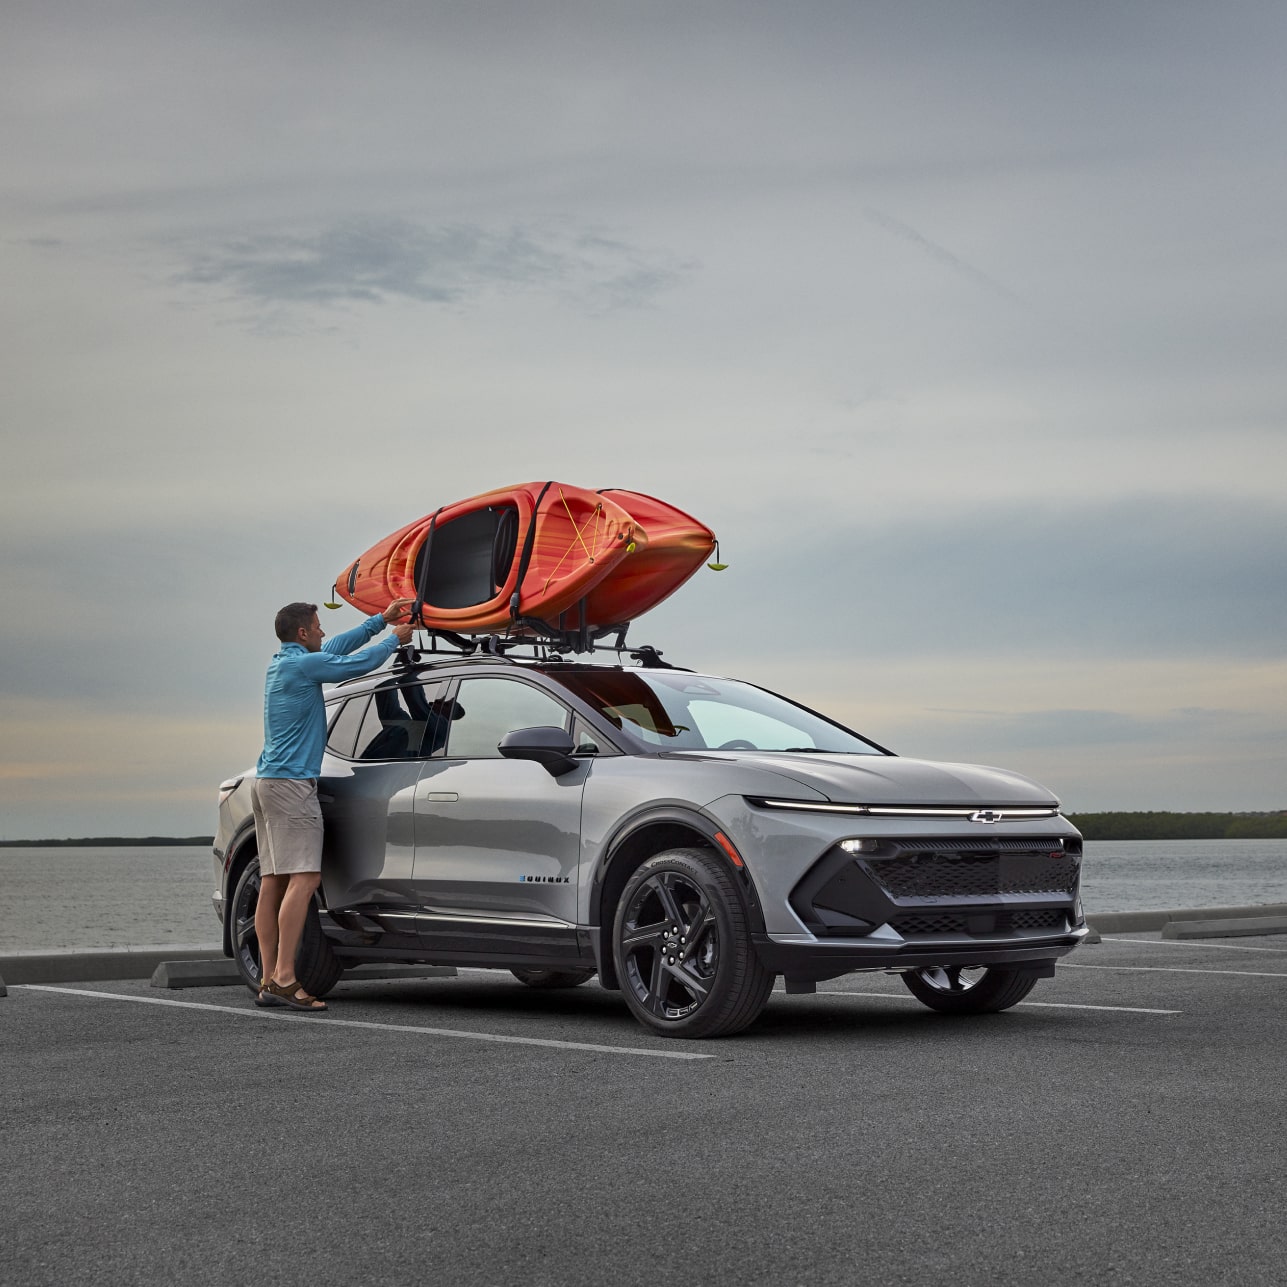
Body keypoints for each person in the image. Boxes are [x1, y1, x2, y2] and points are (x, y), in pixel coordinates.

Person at [252, 598, 414, 1011]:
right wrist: (393, 641)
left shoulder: (285, 662)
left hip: (268, 782)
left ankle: (269, 978)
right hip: (291, 786)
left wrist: (380, 620)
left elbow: (338, 648)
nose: (324, 632)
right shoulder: (303, 666)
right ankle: (287, 979)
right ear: (303, 633)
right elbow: (352, 666)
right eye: (318, 627)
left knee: (273, 882)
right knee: (304, 880)